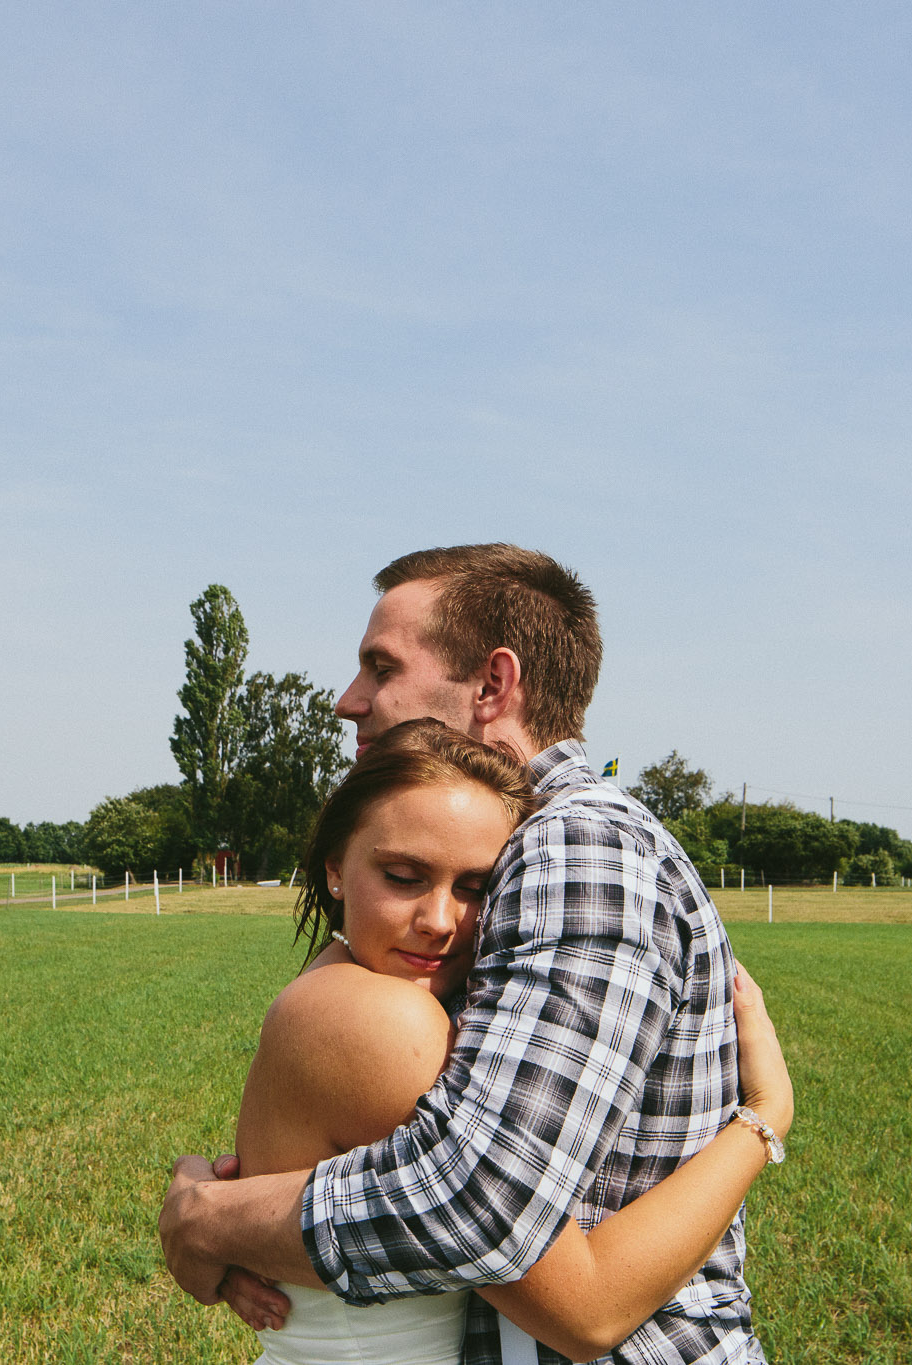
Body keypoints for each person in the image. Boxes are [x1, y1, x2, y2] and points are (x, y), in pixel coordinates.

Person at [162, 544, 767, 1362]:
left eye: (382, 666)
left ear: (491, 685)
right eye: (405, 874)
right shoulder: (515, 846)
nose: (349, 701)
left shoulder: (576, 844)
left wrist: (211, 1219)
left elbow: (483, 1203)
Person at [226, 719, 791, 1362]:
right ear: (335, 870)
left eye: (473, 888)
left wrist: (211, 1215)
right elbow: (589, 1307)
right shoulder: (385, 1022)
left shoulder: (329, 980)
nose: (440, 922)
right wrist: (765, 1117)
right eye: (403, 876)